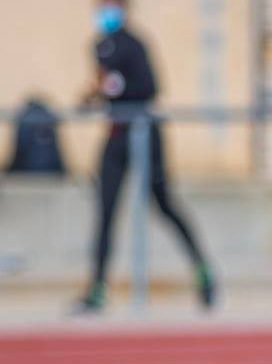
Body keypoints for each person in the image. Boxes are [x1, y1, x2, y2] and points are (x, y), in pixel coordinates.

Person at [75, 0, 216, 313]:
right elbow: (102, 83)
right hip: (116, 135)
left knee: (163, 202)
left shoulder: (135, 45)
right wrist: (92, 94)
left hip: (143, 133)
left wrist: (113, 88)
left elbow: (149, 88)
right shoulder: (99, 46)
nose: (103, 13)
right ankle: (97, 287)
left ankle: (203, 270)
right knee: (106, 209)